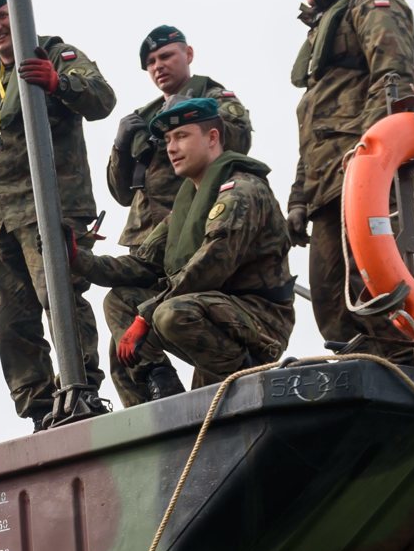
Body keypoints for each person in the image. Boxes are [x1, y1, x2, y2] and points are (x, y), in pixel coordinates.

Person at [282, 0, 414, 366]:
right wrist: (299, 198)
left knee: (373, 285)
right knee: (330, 294)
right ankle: (359, 370)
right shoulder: (322, 27)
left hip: (363, 168)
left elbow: (393, 76)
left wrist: (369, 156)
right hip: (327, 181)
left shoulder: (372, 3)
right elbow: (313, 128)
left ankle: (400, 369)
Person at [0, 0, 114, 428]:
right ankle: (40, 408)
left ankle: (80, 393)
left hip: (49, 203)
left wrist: (58, 82)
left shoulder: (56, 53)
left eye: (2, 17)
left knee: (61, 297)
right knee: (9, 319)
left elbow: (102, 99)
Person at [79, 97, 294, 386]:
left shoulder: (242, 190)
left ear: (212, 138)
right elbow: (144, 264)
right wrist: (76, 257)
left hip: (259, 320)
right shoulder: (187, 205)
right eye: (167, 139)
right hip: (212, 310)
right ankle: (162, 393)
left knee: (170, 314)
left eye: (182, 136)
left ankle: (249, 376)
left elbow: (211, 265)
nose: (171, 148)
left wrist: (146, 317)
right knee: (120, 302)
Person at [102, 26, 254, 405]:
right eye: (151, 62)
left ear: (188, 53)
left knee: (190, 322)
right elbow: (121, 192)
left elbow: (239, 141)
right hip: (147, 242)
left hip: (197, 236)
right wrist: (122, 144)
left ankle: (214, 412)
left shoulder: (214, 97)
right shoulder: (145, 117)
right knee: (124, 347)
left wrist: (192, 119)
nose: (159, 66)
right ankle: (155, 414)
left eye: (166, 56)